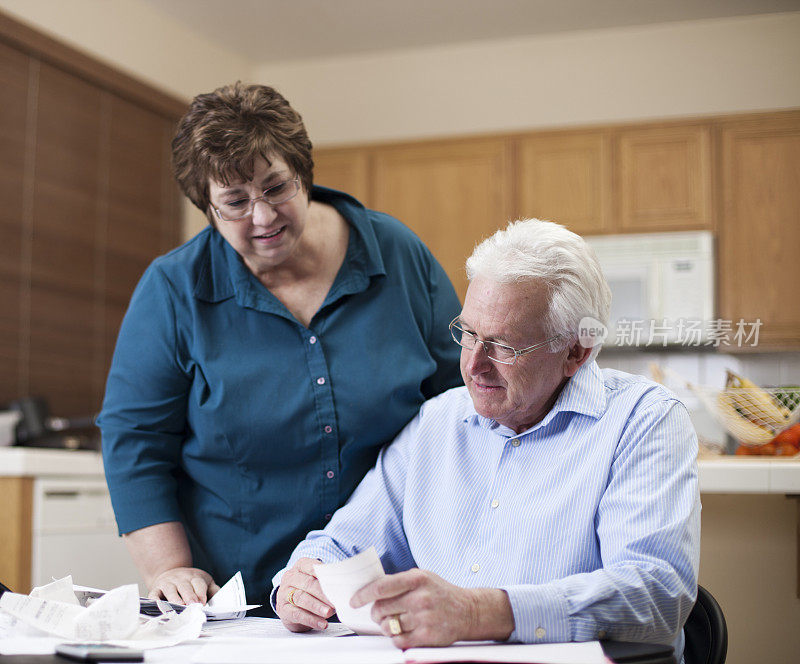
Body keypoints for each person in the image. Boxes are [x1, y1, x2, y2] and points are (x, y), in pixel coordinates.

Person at [97, 82, 462, 609]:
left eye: (275, 188)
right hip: (240, 594)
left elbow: (463, 408)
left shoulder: (397, 255)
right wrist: (172, 569)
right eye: (235, 202)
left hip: (387, 583)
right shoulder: (174, 289)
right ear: (207, 208)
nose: (263, 217)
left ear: (303, 174)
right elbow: (135, 440)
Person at [274, 219, 700, 658]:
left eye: (504, 346)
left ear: (576, 351)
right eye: (469, 334)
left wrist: (479, 612)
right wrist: (303, 583)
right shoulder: (436, 422)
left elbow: (656, 592)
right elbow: (339, 543)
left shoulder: (643, 420)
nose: (474, 365)